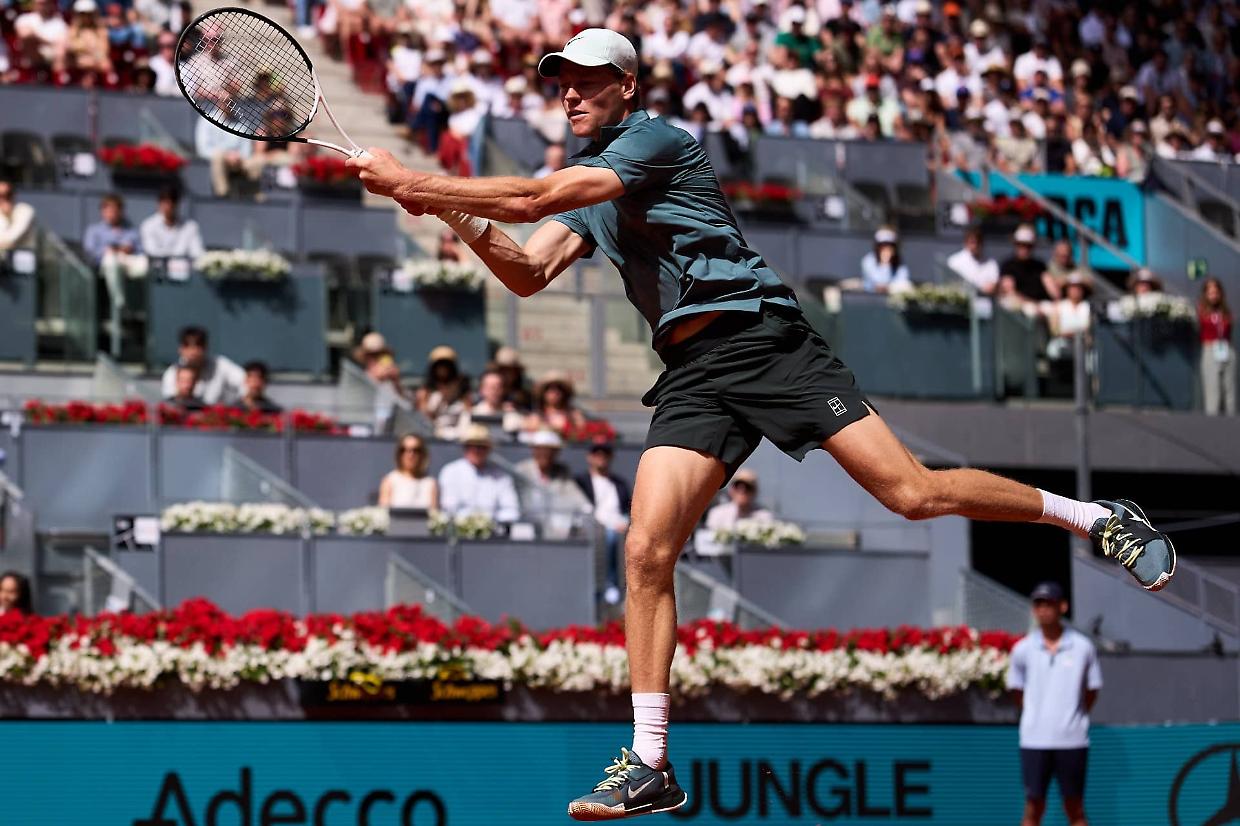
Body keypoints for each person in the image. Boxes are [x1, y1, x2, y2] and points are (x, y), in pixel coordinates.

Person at [347, 28, 1175, 819]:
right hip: (695, 372)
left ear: (626, 87)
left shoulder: (653, 141)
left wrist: (415, 182)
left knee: (912, 495)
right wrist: (451, 214)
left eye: (583, 77)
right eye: (558, 79)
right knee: (644, 549)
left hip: (765, 340)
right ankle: (651, 763)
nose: (566, 90)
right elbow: (528, 269)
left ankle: (1096, 517)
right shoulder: (595, 186)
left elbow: (533, 196)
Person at [1006, 582, 1102, 826]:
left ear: (1062, 606)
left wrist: (1072, 718)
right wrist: (1036, 716)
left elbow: (1092, 690)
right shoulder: (1022, 649)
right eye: (1038, 604)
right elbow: (1016, 690)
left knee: (1075, 808)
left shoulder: (1083, 648)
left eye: (1048, 604)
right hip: (1034, 740)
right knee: (1033, 807)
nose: (1043, 610)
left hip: (1072, 740)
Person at [576, 438, 631, 605]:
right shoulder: (580, 481)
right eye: (597, 453)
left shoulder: (620, 484)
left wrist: (624, 522)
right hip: (592, 526)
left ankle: (621, 586)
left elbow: (627, 509)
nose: (601, 457)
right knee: (608, 536)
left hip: (619, 526)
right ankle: (607, 583)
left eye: (605, 454)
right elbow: (581, 508)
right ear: (589, 457)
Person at [437, 424, 521, 523]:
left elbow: (511, 509)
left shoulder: (501, 477)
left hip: (494, 534)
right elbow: (448, 507)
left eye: (481, 446)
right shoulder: (450, 472)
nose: (476, 450)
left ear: (488, 449)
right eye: (471, 446)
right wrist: (471, 523)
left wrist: (489, 522)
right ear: (465, 448)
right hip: (457, 533)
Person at [516, 428, 590, 527]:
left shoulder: (562, 472)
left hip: (555, 527)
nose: (544, 454)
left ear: (556, 453)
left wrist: (588, 510)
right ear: (534, 451)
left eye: (549, 451)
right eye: (540, 449)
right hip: (526, 524)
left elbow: (577, 497)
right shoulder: (521, 470)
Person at [159, 325, 245, 405]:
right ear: (181, 349)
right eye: (187, 345)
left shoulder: (221, 365)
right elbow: (170, 404)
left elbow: (245, 382)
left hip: (217, 419)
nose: (193, 351)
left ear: (206, 347)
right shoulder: (172, 373)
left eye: (198, 345)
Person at [1199, 278, 1235, 416]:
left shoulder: (1225, 312)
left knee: (1229, 388)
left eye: (1216, 292)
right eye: (1210, 292)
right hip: (1210, 349)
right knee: (1212, 388)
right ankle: (1212, 421)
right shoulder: (1202, 311)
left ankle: (1232, 421)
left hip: (1226, 349)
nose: (1213, 295)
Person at [417, 345, 470, 436]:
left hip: (457, 434)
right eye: (439, 364)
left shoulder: (462, 390)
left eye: (446, 364)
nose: (442, 369)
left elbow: (468, 412)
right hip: (433, 434)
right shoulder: (426, 391)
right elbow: (422, 418)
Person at [140, 187, 205, 260]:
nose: (168, 207)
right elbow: (151, 252)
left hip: (183, 269)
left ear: (177, 204)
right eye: (165, 203)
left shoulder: (190, 226)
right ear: (159, 204)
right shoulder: (148, 225)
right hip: (157, 269)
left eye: (171, 203)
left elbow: (197, 252)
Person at [1000, 224, 1058, 306]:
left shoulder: (1040, 266)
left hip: (1040, 305)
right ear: (1015, 245)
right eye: (1021, 245)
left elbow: (1054, 292)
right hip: (1020, 306)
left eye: (1028, 246)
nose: (1024, 249)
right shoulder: (1008, 266)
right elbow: (1010, 292)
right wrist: (1033, 304)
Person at [378, 433, 439, 510]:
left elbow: (433, 514)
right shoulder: (390, 480)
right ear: (399, 454)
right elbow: (384, 512)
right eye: (404, 450)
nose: (410, 455)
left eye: (416, 450)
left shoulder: (430, 483)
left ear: (423, 454)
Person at [704, 468, 772, 532]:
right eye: (737, 485)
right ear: (731, 489)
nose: (742, 490)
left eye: (747, 486)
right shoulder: (717, 513)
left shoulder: (764, 516)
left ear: (754, 491)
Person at [525, 370, 587, 436]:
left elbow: (581, 431)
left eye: (559, 388)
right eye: (549, 388)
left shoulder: (573, 414)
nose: (555, 392)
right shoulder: (536, 415)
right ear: (543, 392)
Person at [947, 226, 999, 295]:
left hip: (984, 302)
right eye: (972, 242)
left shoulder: (991, 263)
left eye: (978, 242)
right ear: (966, 242)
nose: (975, 246)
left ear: (982, 243)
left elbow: (992, 285)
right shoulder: (954, 261)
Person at [860, 226, 911, 294]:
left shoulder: (899, 263)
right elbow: (876, 283)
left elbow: (903, 282)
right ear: (877, 247)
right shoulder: (868, 261)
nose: (886, 249)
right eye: (882, 245)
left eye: (890, 246)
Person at [0, 181, 36, 252]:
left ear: (13, 195)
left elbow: (11, 238)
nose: (3, 199)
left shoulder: (24, 210)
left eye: (8, 195)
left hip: (24, 256)